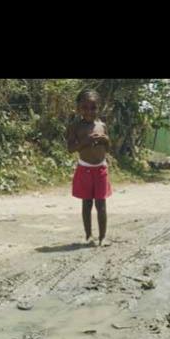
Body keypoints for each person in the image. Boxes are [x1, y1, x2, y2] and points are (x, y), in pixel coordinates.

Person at [66, 90, 112, 247]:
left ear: (98, 108)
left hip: (101, 169)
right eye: (84, 107)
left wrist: (105, 139)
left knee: (101, 204)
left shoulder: (102, 126)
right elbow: (71, 148)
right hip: (84, 169)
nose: (89, 111)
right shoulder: (75, 127)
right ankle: (88, 235)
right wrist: (85, 142)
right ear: (78, 108)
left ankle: (103, 237)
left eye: (93, 108)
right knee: (87, 204)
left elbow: (108, 148)